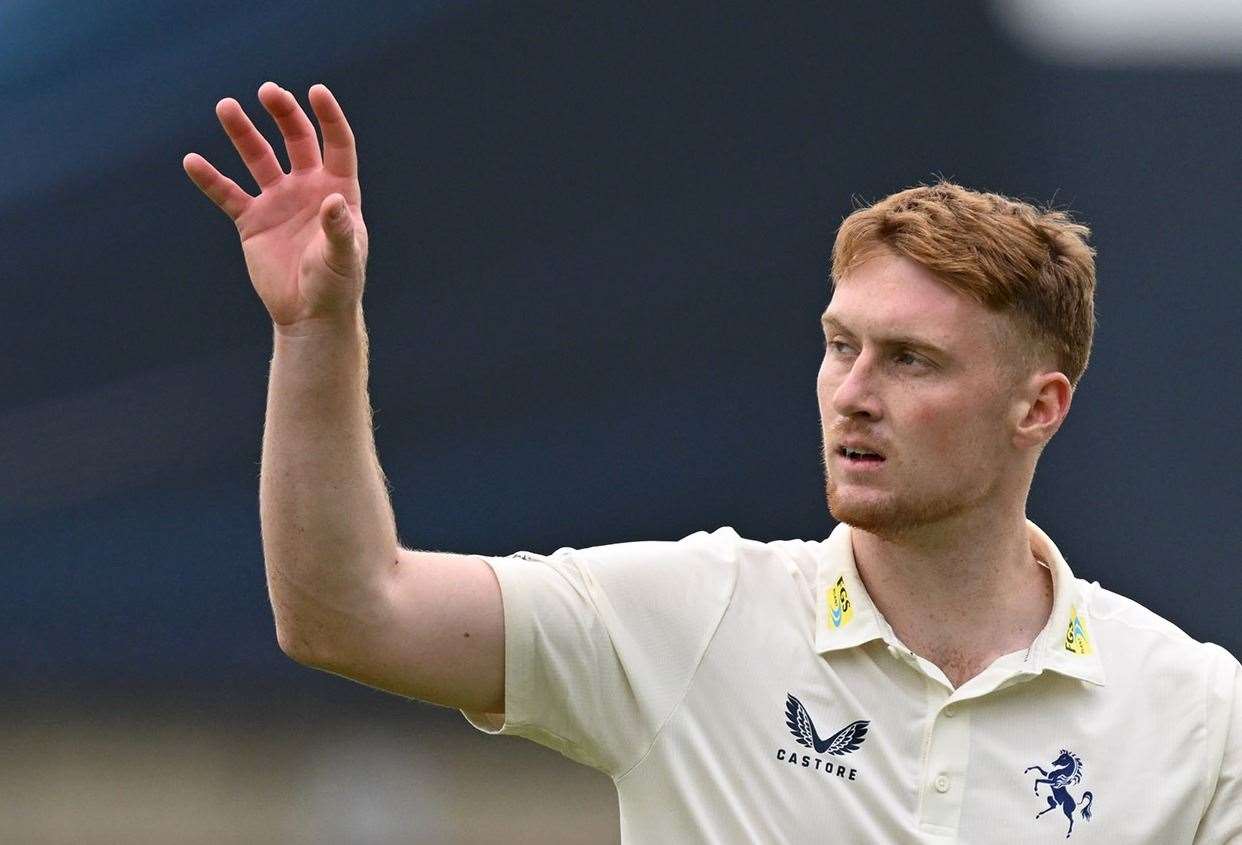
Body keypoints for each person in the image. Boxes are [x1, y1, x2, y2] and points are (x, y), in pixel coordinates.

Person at [184, 82, 1239, 843]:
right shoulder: (693, 616)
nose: (854, 389)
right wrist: (316, 330)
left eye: (912, 359)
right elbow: (348, 609)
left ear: (1038, 407)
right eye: (840, 345)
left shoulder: (1194, 712)